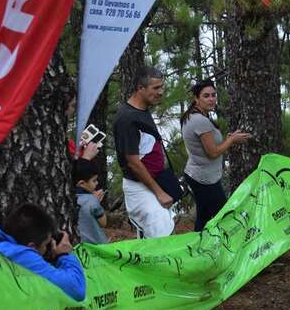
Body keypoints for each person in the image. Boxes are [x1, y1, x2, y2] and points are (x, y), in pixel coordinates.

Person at [113, 66, 175, 238]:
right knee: (161, 238)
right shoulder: (127, 118)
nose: (161, 92)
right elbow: (133, 162)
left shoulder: (142, 111)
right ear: (140, 88)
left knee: (164, 232)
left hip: (152, 184)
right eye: (156, 88)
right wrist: (159, 192)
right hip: (140, 187)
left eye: (162, 87)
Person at [181, 79, 250, 231]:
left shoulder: (192, 116)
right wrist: (231, 140)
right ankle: (229, 244)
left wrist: (228, 139)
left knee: (204, 217)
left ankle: (199, 243)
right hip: (204, 179)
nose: (211, 99)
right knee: (225, 218)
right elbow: (212, 153)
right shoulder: (200, 121)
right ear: (196, 98)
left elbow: (205, 144)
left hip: (196, 174)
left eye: (213, 95)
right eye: (206, 96)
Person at [0, 203, 86, 301]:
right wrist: (64, 255)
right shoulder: (21, 255)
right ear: (32, 246)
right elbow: (77, 290)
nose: (47, 249)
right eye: (46, 244)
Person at [73, 159, 108, 245]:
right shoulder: (92, 201)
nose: (97, 183)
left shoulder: (69, 198)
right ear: (82, 183)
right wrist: (97, 202)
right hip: (96, 245)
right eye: (94, 180)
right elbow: (103, 223)